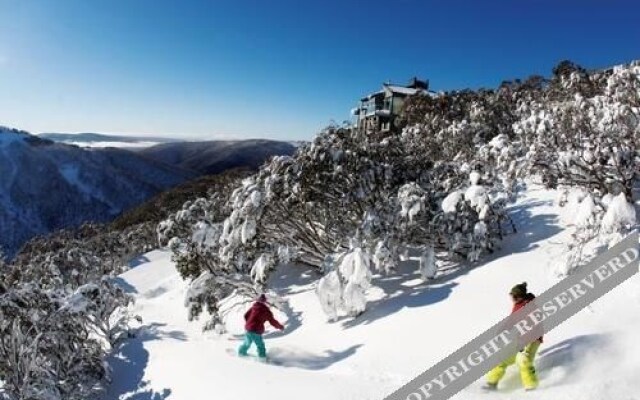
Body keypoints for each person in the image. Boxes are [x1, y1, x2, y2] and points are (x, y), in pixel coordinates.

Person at [485, 282, 542, 391]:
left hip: (532, 339)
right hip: (519, 338)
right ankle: (491, 384)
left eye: (515, 296)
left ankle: (532, 388)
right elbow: (512, 321)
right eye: (512, 296)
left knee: (523, 359)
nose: (513, 298)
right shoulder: (517, 304)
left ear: (521, 296)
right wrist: (501, 331)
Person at [238, 294, 284, 361]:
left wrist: (249, 323)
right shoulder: (266, 311)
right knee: (260, 345)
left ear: (258, 300)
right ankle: (262, 358)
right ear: (265, 302)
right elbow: (272, 321)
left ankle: (241, 353)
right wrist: (280, 327)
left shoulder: (254, 306)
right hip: (256, 330)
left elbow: (245, 315)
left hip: (248, 328)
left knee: (247, 343)